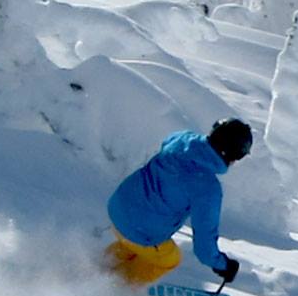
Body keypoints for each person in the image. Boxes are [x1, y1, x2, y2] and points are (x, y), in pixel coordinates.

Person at [104, 119, 250, 286]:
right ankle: (116, 289)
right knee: (169, 258)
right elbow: (204, 248)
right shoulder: (207, 189)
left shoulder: (183, 139)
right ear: (229, 154)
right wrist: (223, 265)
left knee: (131, 242)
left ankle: (97, 267)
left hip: (118, 207)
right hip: (142, 230)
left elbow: (168, 143)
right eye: (239, 156)